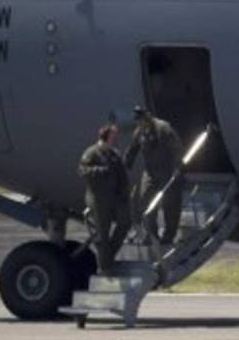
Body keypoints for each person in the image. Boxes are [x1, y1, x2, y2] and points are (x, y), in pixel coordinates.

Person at [124, 105, 185, 246]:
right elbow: (132, 150)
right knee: (145, 200)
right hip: (150, 171)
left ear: (147, 116)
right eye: (138, 121)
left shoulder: (163, 128)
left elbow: (177, 148)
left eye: (142, 120)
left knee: (170, 204)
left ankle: (168, 236)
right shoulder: (140, 131)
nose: (140, 123)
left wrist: (178, 167)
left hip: (167, 170)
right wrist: (125, 165)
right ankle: (151, 234)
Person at [77, 123, 131, 274]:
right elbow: (82, 170)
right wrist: (99, 171)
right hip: (98, 198)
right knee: (103, 232)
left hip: (114, 197)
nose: (115, 139)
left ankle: (108, 256)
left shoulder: (114, 154)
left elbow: (122, 175)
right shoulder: (92, 152)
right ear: (105, 137)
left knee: (125, 223)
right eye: (113, 136)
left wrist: (124, 192)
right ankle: (106, 266)